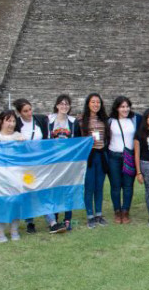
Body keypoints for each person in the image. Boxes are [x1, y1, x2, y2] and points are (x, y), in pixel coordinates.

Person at [12, 98, 55, 234]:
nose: (29, 113)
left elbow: (47, 140)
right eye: (25, 111)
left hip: (40, 164)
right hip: (25, 165)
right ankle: (30, 222)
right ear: (19, 113)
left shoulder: (40, 120)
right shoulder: (16, 124)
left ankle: (52, 221)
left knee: (44, 191)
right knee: (28, 193)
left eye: (30, 109)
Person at [47, 94, 82, 231]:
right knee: (54, 190)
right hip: (53, 162)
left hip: (68, 162)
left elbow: (78, 141)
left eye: (66, 104)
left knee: (68, 190)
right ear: (56, 106)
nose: (64, 106)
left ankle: (67, 219)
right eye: (61, 104)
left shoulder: (73, 122)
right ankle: (54, 219)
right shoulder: (49, 120)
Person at [107, 96, 141, 225]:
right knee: (115, 186)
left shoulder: (135, 120)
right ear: (117, 108)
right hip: (113, 156)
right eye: (122, 106)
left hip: (129, 156)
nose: (125, 109)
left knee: (128, 186)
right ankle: (117, 211)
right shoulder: (110, 121)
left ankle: (125, 211)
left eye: (127, 106)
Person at [79, 93, 110, 228]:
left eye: (98, 102)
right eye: (93, 102)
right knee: (89, 186)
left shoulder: (104, 119)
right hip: (89, 156)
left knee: (99, 186)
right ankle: (90, 216)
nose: (96, 104)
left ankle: (98, 214)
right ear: (88, 104)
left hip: (101, 155)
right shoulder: (81, 120)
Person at [0, 110, 25, 243]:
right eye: (8, 121)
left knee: (15, 202)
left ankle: (14, 230)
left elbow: (26, 155)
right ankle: (0, 233)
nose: (11, 124)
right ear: (1, 121)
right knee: (1, 203)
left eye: (13, 121)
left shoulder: (19, 136)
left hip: (15, 176)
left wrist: (23, 144)